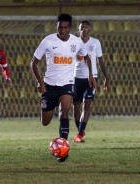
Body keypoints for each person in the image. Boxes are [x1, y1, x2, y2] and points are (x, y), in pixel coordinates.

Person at [30, 13, 96, 162]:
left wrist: (90, 75)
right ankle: (61, 143)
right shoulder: (48, 41)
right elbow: (33, 62)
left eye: (66, 27)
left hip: (67, 84)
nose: (63, 30)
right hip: (49, 86)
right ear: (57, 26)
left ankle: (63, 149)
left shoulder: (77, 42)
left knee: (65, 111)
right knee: (45, 122)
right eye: (60, 27)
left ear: (70, 28)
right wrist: (40, 81)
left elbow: (86, 57)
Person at [72, 20, 110, 143]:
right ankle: (80, 130)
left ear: (90, 29)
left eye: (86, 27)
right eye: (81, 27)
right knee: (76, 106)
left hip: (91, 77)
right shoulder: (73, 43)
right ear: (79, 30)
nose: (84, 29)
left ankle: (79, 134)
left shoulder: (95, 42)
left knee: (87, 104)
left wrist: (106, 78)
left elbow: (100, 61)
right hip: (76, 78)